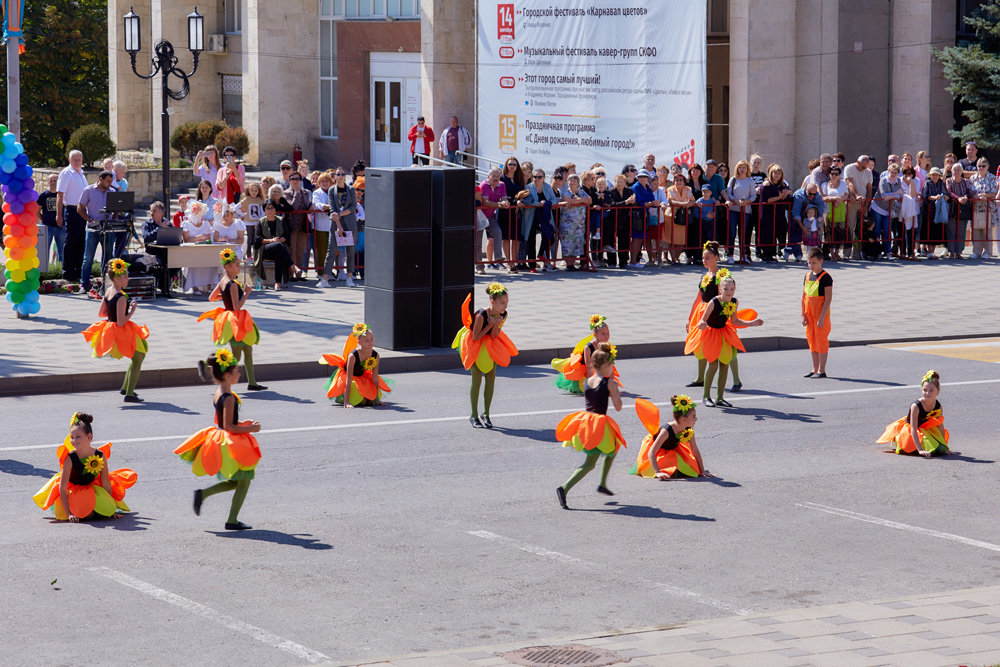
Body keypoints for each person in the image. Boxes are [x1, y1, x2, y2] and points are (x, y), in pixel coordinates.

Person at [177, 349, 262, 531]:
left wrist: (242, 422)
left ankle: (204, 494)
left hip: (222, 437)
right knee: (244, 480)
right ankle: (231, 520)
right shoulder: (229, 398)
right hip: (231, 442)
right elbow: (229, 427)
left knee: (238, 481)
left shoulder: (219, 392)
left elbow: (223, 421)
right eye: (236, 372)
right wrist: (251, 428)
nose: (239, 374)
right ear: (226, 375)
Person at [554, 342, 624, 509]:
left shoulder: (588, 381)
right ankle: (565, 488)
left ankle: (600, 483)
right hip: (599, 424)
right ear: (606, 365)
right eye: (611, 365)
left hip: (586, 422)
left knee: (600, 457)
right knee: (602, 455)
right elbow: (619, 407)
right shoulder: (608, 383)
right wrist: (614, 388)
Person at [32, 412, 137, 521]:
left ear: (89, 437)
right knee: (85, 515)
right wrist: (68, 513)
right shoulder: (70, 458)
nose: (74, 441)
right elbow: (62, 488)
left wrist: (111, 508)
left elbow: (106, 483)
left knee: (102, 514)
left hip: (92, 486)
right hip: (73, 490)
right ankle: (81, 507)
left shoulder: (100, 455)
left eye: (78, 437)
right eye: (72, 437)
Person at [684, 275, 762, 407]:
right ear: (720, 289)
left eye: (732, 289)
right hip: (711, 334)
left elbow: (735, 321)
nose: (729, 292)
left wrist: (752, 323)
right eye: (726, 289)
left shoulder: (734, 302)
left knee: (725, 364)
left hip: (723, 333)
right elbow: (703, 320)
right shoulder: (713, 302)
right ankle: (706, 396)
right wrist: (701, 324)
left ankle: (720, 398)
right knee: (713, 365)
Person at [81, 258, 150, 402]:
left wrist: (114, 312)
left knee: (142, 350)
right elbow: (121, 322)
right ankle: (129, 394)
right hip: (121, 330)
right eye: (125, 276)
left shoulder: (109, 290)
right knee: (138, 357)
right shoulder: (121, 297)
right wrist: (132, 310)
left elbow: (101, 313)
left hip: (111, 327)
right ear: (118, 278)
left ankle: (126, 388)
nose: (128, 278)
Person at [452, 284, 518, 429]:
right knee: (476, 378)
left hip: (489, 344)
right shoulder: (481, 315)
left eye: (507, 303)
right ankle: (474, 415)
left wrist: (496, 325)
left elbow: (494, 336)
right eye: (502, 303)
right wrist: (490, 325)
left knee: (491, 377)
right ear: (492, 302)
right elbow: (475, 337)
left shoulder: (503, 314)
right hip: (474, 344)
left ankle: (486, 414)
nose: (505, 306)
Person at [630, 395, 710, 479]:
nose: (696, 419)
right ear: (683, 419)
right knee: (666, 470)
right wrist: (658, 472)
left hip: (673, 448)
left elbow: (695, 450)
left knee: (689, 468)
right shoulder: (666, 431)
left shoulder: (689, 429)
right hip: (658, 451)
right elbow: (651, 452)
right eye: (693, 416)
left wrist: (702, 470)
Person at [685, 241, 730, 388]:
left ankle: (733, 379)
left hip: (712, 312)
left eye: (708, 258)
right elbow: (698, 297)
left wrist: (720, 316)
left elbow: (721, 297)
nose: (704, 261)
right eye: (703, 258)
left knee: (717, 347)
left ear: (717, 258)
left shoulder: (721, 276)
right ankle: (700, 378)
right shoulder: (706, 275)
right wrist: (690, 317)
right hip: (701, 311)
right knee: (700, 345)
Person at [877, 370, 950, 457]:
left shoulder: (938, 406)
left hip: (926, 430)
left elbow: (940, 426)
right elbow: (913, 429)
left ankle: (929, 443)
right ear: (921, 390)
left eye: (931, 390)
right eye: (925, 390)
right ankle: (899, 437)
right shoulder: (916, 406)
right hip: (911, 431)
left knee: (940, 450)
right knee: (931, 450)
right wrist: (920, 450)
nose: (927, 393)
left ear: (938, 391)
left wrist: (945, 447)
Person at [320, 322, 393, 407]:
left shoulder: (376, 355)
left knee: (370, 401)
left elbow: (375, 377)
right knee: (361, 402)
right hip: (349, 378)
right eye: (366, 340)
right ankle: (343, 397)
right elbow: (349, 378)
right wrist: (346, 402)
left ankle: (368, 397)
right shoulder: (353, 356)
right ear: (359, 342)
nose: (370, 342)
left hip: (361, 376)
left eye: (372, 339)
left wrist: (377, 398)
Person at [551, 314, 619, 394]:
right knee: (588, 389)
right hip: (584, 372)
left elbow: (610, 366)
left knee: (612, 385)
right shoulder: (588, 347)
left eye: (608, 333)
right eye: (603, 334)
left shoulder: (607, 346)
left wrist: (611, 383)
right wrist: (590, 385)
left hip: (598, 371)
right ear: (595, 335)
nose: (607, 336)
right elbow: (589, 367)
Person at [77, 170, 119, 294]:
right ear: (100, 180)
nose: (110, 184)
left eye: (111, 181)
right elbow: (80, 208)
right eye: (108, 181)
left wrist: (115, 218)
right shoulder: (88, 190)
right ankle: (84, 285)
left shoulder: (112, 191)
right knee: (88, 258)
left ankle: (107, 284)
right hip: (93, 229)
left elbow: (116, 209)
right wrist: (89, 219)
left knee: (108, 257)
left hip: (108, 228)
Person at [56, 151, 90, 283]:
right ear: (69, 160)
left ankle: (78, 270)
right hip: (71, 209)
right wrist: (59, 214)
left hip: (82, 210)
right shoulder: (66, 173)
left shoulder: (81, 173)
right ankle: (68, 272)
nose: (77, 162)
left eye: (79, 159)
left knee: (81, 241)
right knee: (71, 241)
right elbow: (60, 195)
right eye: (75, 159)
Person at [802, 246, 833, 378]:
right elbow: (803, 297)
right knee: (812, 341)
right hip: (809, 315)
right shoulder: (808, 276)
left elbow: (828, 299)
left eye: (814, 263)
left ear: (821, 261)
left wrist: (821, 317)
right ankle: (814, 369)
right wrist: (802, 314)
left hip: (820, 315)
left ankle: (822, 369)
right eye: (809, 263)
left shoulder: (826, 277)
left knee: (821, 341)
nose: (811, 265)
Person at [520, 168, 559, 272]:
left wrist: (545, 203)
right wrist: (539, 204)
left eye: (539, 177)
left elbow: (554, 200)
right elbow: (527, 201)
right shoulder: (528, 187)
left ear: (544, 178)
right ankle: (532, 266)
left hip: (544, 216)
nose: (537, 179)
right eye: (535, 177)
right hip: (531, 216)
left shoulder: (547, 187)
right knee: (531, 239)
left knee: (549, 233)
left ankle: (541, 254)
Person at [180, 200, 217, 294]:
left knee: (211, 260)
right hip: (191, 251)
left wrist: (204, 238)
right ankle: (194, 285)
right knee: (195, 260)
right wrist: (197, 238)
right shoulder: (186, 224)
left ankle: (209, 284)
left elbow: (209, 238)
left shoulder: (206, 224)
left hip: (204, 249)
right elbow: (186, 240)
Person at [254, 201, 293, 290]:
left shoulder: (281, 220)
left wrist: (281, 239)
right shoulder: (261, 222)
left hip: (279, 249)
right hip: (264, 250)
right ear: (264, 210)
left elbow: (287, 235)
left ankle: (277, 283)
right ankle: (292, 266)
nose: (270, 210)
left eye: (272, 208)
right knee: (278, 246)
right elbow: (257, 240)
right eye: (267, 208)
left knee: (279, 252)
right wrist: (271, 240)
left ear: (276, 210)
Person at [758, 164, 793, 262]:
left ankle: (775, 252)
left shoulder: (782, 184)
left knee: (780, 230)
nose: (777, 175)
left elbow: (790, 191)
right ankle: (766, 254)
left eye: (779, 173)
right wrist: (779, 197)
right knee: (768, 233)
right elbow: (767, 199)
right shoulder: (766, 184)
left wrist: (786, 193)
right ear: (771, 174)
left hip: (778, 212)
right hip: (767, 212)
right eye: (775, 173)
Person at [725, 160, 757, 264]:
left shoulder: (750, 181)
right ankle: (730, 255)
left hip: (745, 210)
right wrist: (735, 200)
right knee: (732, 232)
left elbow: (753, 196)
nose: (742, 170)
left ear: (747, 169)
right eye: (740, 167)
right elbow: (729, 193)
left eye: (744, 167)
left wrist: (747, 202)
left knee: (743, 233)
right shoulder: (733, 180)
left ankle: (744, 255)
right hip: (733, 210)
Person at [282, 172, 311, 281]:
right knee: (292, 251)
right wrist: (297, 193)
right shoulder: (286, 193)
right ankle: (291, 273)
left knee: (300, 251)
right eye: (293, 179)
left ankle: (299, 273)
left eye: (297, 179)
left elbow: (307, 206)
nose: (295, 181)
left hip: (302, 226)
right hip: (291, 226)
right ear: (289, 181)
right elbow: (292, 207)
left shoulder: (306, 192)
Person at [559, 173, 591, 270]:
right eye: (570, 180)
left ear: (578, 182)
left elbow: (589, 200)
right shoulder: (565, 192)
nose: (572, 182)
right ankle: (568, 264)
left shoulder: (581, 192)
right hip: (567, 223)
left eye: (574, 180)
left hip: (579, 224)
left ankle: (572, 264)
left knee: (576, 243)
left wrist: (579, 199)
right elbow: (569, 201)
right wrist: (582, 200)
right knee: (567, 243)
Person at [500, 156, 526, 271]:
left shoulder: (519, 178)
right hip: (505, 211)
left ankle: (513, 261)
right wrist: (514, 201)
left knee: (516, 238)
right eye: (510, 164)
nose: (512, 167)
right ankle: (508, 262)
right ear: (506, 165)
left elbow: (523, 193)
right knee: (506, 237)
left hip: (517, 212)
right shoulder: (502, 179)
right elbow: (501, 195)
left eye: (514, 165)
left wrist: (521, 201)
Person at [968, 157, 998, 259]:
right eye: (979, 166)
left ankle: (988, 252)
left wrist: (986, 195)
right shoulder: (972, 178)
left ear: (987, 167)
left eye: (983, 166)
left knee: (987, 230)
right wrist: (976, 196)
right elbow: (970, 191)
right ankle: (976, 251)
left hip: (988, 208)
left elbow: (994, 192)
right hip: (976, 207)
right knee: (976, 229)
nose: (981, 168)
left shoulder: (992, 178)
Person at [788, 183, 824, 262]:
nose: (812, 196)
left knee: (811, 239)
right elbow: (796, 213)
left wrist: (820, 224)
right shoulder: (799, 195)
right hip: (795, 215)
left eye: (814, 194)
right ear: (806, 190)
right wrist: (803, 227)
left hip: (809, 215)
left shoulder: (817, 195)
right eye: (810, 194)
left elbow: (820, 211)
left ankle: (811, 257)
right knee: (795, 232)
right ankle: (792, 252)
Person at [946, 163, 974, 259]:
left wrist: (965, 197)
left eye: (958, 170)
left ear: (962, 171)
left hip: (963, 209)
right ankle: (951, 252)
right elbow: (949, 192)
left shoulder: (966, 181)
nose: (956, 172)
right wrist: (958, 198)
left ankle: (958, 252)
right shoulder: (948, 181)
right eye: (955, 170)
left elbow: (970, 192)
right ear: (952, 171)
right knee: (951, 230)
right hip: (952, 209)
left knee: (961, 231)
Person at [665, 172, 694, 264]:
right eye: (676, 180)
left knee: (681, 240)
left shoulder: (688, 189)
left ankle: (677, 258)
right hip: (671, 216)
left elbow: (693, 200)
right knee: (671, 239)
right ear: (674, 181)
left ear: (684, 181)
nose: (679, 182)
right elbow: (671, 202)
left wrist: (689, 204)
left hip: (683, 217)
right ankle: (673, 259)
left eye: (681, 180)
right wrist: (684, 204)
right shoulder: (670, 189)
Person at [821, 165, 849, 260]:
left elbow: (846, 194)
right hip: (828, 210)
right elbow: (823, 197)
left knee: (839, 232)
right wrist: (834, 199)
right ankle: (831, 253)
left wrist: (840, 200)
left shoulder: (843, 183)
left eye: (836, 174)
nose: (834, 175)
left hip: (840, 209)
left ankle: (837, 253)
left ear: (839, 175)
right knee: (829, 232)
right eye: (832, 173)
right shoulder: (824, 185)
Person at [630, 169, 656, 267]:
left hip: (645, 215)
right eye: (640, 177)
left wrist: (654, 203)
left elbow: (651, 198)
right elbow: (637, 200)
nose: (642, 178)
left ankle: (634, 261)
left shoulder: (647, 187)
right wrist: (647, 203)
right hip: (637, 215)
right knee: (636, 238)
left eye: (644, 177)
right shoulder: (636, 187)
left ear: (647, 178)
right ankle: (633, 261)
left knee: (640, 238)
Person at [921, 167, 947, 258]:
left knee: (936, 231)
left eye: (936, 175)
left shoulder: (941, 184)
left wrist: (944, 197)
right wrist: (934, 197)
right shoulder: (927, 183)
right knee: (929, 231)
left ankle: (933, 251)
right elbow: (925, 195)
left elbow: (945, 193)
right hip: (928, 211)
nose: (934, 177)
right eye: (932, 175)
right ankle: (929, 251)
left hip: (938, 210)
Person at [37, 173, 63, 264]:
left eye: (55, 181)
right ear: (48, 182)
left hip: (61, 227)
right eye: (51, 181)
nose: (53, 183)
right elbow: (37, 211)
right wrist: (43, 221)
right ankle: (44, 271)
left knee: (62, 252)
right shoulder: (43, 195)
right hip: (47, 227)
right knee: (44, 251)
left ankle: (60, 271)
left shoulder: (62, 194)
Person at [899, 167, 921, 259]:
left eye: (910, 173)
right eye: (905, 173)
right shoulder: (899, 181)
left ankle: (911, 253)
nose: (907, 175)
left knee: (911, 232)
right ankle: (902, 253)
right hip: (900, 209)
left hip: (912, 210)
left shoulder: (916, 181)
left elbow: (912, 194)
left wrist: (911, 182)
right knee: (900, 232)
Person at [239, 182, 265, 259]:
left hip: (257, 222)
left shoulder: (260, 200)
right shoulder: (247, 199)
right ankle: (248, 254)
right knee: (249, 238)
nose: (253, 192)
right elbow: (237, 208)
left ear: (258, 191)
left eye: (255, 190)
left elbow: (262, 212)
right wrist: (244, 215)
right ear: (248, 191)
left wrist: (260, 221)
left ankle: (256, 254)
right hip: (249, 222)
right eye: (252, 190)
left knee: (256, 239)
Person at [691, 184, 718, 259]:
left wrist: (713, 214)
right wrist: (705, 216)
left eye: (707, 192)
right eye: (704, 192)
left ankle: (710, 256)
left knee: (710, 240)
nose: (705, 193)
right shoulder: (699, 201)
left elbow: (716, 211)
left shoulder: (713, 201)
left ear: (710, 193)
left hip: (710, 223)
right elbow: (695, 213)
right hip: (701, 222)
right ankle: (698, 257)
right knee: (699, 239)